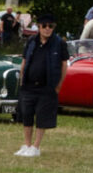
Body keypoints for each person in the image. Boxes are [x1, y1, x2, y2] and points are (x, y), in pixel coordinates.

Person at [14, 12, 69, 157]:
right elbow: (24, 61)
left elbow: (64, 65)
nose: (47, 29)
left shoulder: (59, 43)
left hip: (47, 87)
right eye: (44, 26)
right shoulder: (31, 41)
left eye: (50, 26)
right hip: (29, 86)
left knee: (42, 117)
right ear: (39, 27)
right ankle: (26, 145)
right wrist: (22, 80)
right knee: (26, 115)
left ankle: (36, 147)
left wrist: (59, 85)